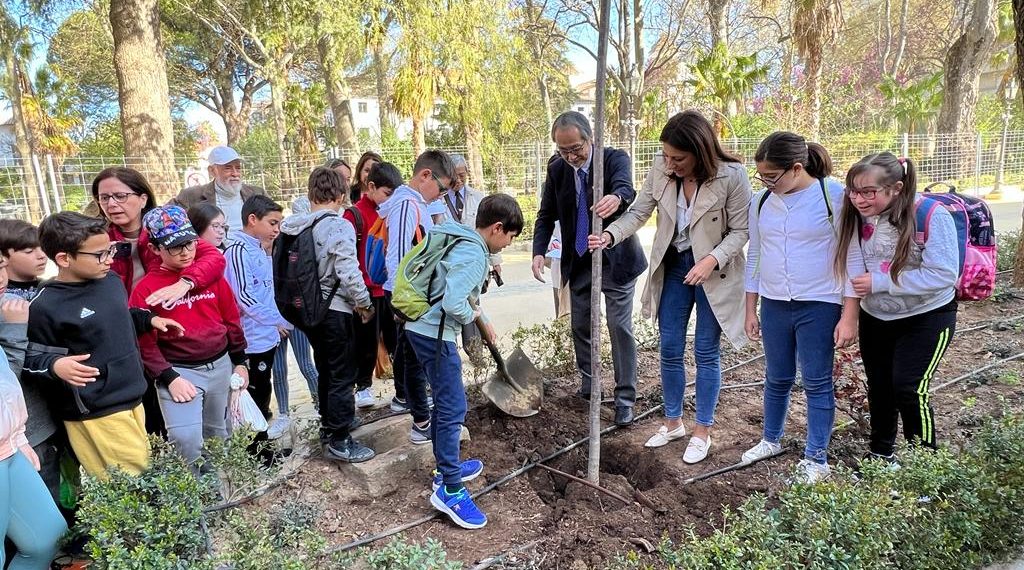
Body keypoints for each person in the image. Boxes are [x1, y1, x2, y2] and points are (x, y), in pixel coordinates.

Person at [592, 110, 749, 457]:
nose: (670, 163)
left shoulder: (732, 176)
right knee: (670, 346)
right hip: (675, 264)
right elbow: (638, 212)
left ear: (700, 151)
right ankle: (673, 422)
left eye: (678, 158)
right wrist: (610, 235)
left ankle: (702, 430)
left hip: (714, 269)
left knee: (706, 350)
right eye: (666, 155)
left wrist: (711, 260)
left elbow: (741, 230)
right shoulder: (662, 172)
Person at [740, 132, 862, 482]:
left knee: (816, 380)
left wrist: (849, 314)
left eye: (771, 176)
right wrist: (751, 307)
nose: (766, 183)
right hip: (776, 303)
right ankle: (770, 439)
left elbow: (852, 255)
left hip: (820, 302)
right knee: (776, 376)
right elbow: (756, 255)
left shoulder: (833, 197)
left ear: (796, 168)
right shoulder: (762, 202)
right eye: (761, 176)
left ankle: (816, 458)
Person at [26, 212, 182, 477]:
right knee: (135, 482)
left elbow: (116, 317)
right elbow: (28, 357)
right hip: (96, 410)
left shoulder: (109, 281)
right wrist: (54, 365)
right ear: (64, 259)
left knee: (139, 477)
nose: (109, 259)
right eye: (100, 254)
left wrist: (148, 320)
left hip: (132, 395)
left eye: (111, 249)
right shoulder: (44, 306)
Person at [406, 194, 524, 530]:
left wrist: (482, 318)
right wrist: (471, 314)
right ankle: (451, 490)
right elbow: (454, 302)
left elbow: (464, 293)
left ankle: (447, 467)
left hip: (419, 327)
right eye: (511, 237)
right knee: (452, 407)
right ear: (497, 228)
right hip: (435, 333)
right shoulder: (475, 254)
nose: (509, 243)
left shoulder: (463, 237)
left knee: (446, 405)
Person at [834, 152, 959, 462]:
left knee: (909, 387)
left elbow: (944, 274)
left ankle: (925, 467)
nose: (858, 199)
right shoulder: (856, 216)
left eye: (868, 192)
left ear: (897, 188)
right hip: (876, 316)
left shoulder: (930, 215)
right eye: (853, 190)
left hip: (927, 316)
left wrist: (882, 282)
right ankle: (881, 456)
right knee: (880, 388)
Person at [92, 167, 227, 436]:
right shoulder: (98, 239)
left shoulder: (167, 227)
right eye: (104, 198)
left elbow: (214, 258)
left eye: (120, 195)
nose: (112, 204)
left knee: (195, 417)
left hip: (173, 337)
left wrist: (185, 283)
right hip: (125, 332)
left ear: (142, 198)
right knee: (148, 414)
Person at [533, 111, 647, 427]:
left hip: (616, 258)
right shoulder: (557, 169)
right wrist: (538, 252)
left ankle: (625, 398)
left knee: (618, 327)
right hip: (579, 260)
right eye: (563, 150)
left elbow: (626, 188)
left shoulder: (613, 159)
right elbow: (546, 214)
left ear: (590, 138)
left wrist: (616, 197)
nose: (570, 156)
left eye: (576, 148)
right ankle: (590, 383)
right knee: (580, 325)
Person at [130, 206, 249, 467]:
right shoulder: (146, 289)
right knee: (185, 438)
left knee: (219, 434)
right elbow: (145, 344)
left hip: (220, 365)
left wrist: (240, 362)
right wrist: (169, 377)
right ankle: (194, 501)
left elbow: (231, 320)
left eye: (190, 243)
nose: (185, 252)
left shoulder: (208, 275)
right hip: (180, 371)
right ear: (154, 248)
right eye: (175, 247)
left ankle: (221, 495)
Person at [279, 168, 375, 462]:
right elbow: (347, 270)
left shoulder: (295, 225)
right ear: (341, 194)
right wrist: (364, 303)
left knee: (326, 369)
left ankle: (329, 424)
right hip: (336, 310)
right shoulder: (337, 226)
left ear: (311, 194)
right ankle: (341, 438)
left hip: (310, 311)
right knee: (342, 374)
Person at [378, 150, 455, 440]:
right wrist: (402, 303)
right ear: (425, 176)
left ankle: (420, 412)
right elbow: (397, 256)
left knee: (411, 357)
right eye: (442, 188)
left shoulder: (419, 203)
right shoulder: (406, 205)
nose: (441, 195)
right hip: (405, 296)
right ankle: (422, 421)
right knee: (412, 359)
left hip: (414, 293)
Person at [0, 221, 62, 503]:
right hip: (25, 429)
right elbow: (6, 376)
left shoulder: (47, 289)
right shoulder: (7, 308)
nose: (41, 255)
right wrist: (14, 329)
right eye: (28, 250)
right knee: (39, 493)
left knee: (63, 483)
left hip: (54, 412)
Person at [0, 314, 67, 570]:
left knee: (47, 536)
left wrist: (18, 435)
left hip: (9, 446)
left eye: (3, 270)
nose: (2, 279)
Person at [224, 196, 290, 437]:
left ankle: (261, 448)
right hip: (249, 338)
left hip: (265, 335)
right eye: (272, 223)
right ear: (252, 220)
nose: (276, 229)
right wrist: (279, 320)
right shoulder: (238, 251)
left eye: (279, 224)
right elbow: (245, 298)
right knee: (252, 395)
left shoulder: (259, 250)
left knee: (263, 390)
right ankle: (257, 451)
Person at [343, 162, 403, 409]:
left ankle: (403, 387)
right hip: (365, 292)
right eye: (387, 194)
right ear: (371, 187)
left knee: (396, 341)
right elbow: (347, 258)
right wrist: (358, 296)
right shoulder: (353, 216)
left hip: (389, 289)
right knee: (365, 343)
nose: (390, 200)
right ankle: (363, 386)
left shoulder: (392, 212)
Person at [172, 145, 266, 243]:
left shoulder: (257, 193)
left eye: (238, 168)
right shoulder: (191, 196)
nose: (235, 173)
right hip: (213, 253)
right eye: (228, 168)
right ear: (212, 171)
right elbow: (163, 219)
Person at [0, 220, 47, 301]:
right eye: (29, 251)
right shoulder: (3, 296)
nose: (42, 255)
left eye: (42, 248)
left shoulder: (50, 286)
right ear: (3, 256)